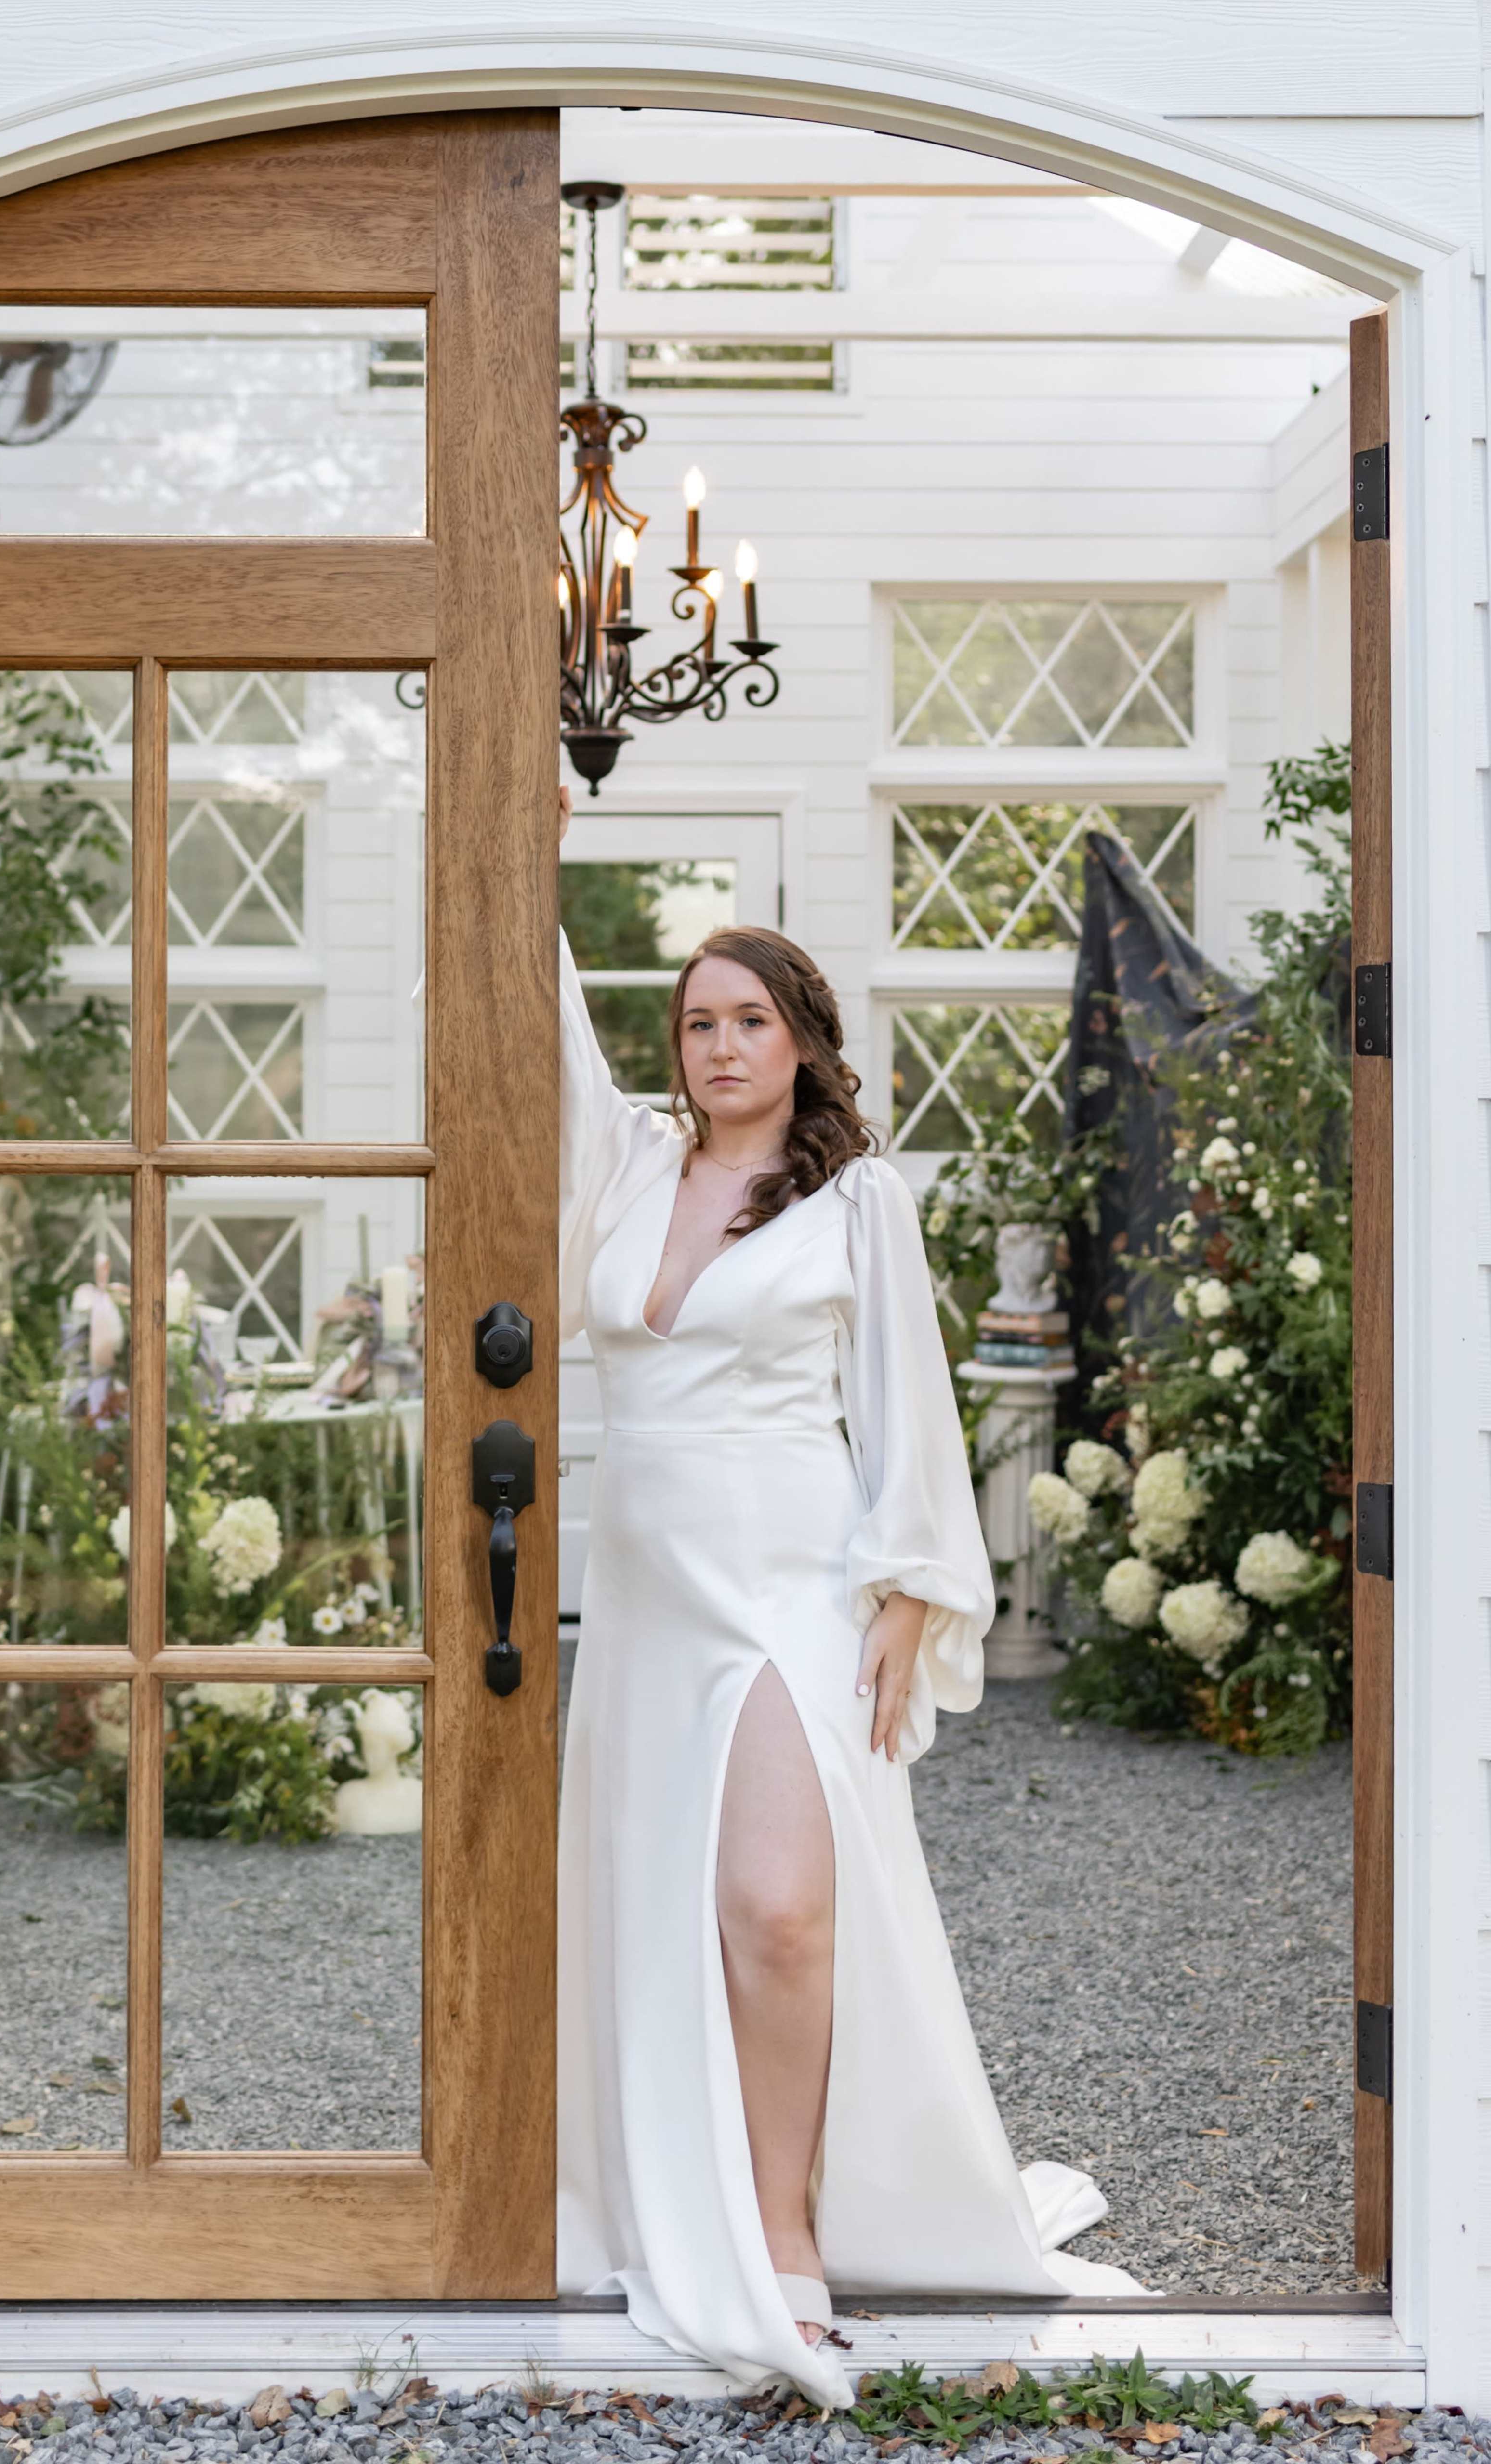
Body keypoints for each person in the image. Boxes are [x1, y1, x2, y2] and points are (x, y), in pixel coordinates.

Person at [556, 788, 1141, 2409]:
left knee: (781, 1908)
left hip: (790, 1589)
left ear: (804, 1041)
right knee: (664, 1902)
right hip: (649, 1598)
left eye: (749, 1020)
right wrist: (514, 847)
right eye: (696, 1022)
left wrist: (906, 1594)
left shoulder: (855, 1201)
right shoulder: (627, 1168)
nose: (720, 1045)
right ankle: (669, 2183)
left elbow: (912, 1409)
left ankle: (782, 2224)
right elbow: (533, 1038)